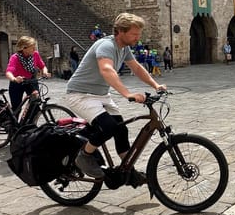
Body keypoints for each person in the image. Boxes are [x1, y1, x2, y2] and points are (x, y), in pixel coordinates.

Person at [65, 13, 165, 180]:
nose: (137, 38)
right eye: (134, 34)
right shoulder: (106, 45)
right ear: (120, 31)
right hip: (81, 94)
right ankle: (84, 156)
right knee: (109, 127)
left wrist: (156, 85)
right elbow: (106, 70)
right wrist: (127, 93)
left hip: (101, 95)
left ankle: (127, 170)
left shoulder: (124, 48)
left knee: (121, 129)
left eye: (139, 34)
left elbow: (137, 68)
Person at [4, 37, 50, 111]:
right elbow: (9, 72)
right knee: (16, 107)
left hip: (31, 81)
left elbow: (42, 66)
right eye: (32, 47)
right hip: (18, 82)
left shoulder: (35, 54)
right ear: (24, 48)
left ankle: (31, 122)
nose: (34, 49)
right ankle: (14, 122)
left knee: (35, 105)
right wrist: (14, 79)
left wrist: (45, 72)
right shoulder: (15, 58)